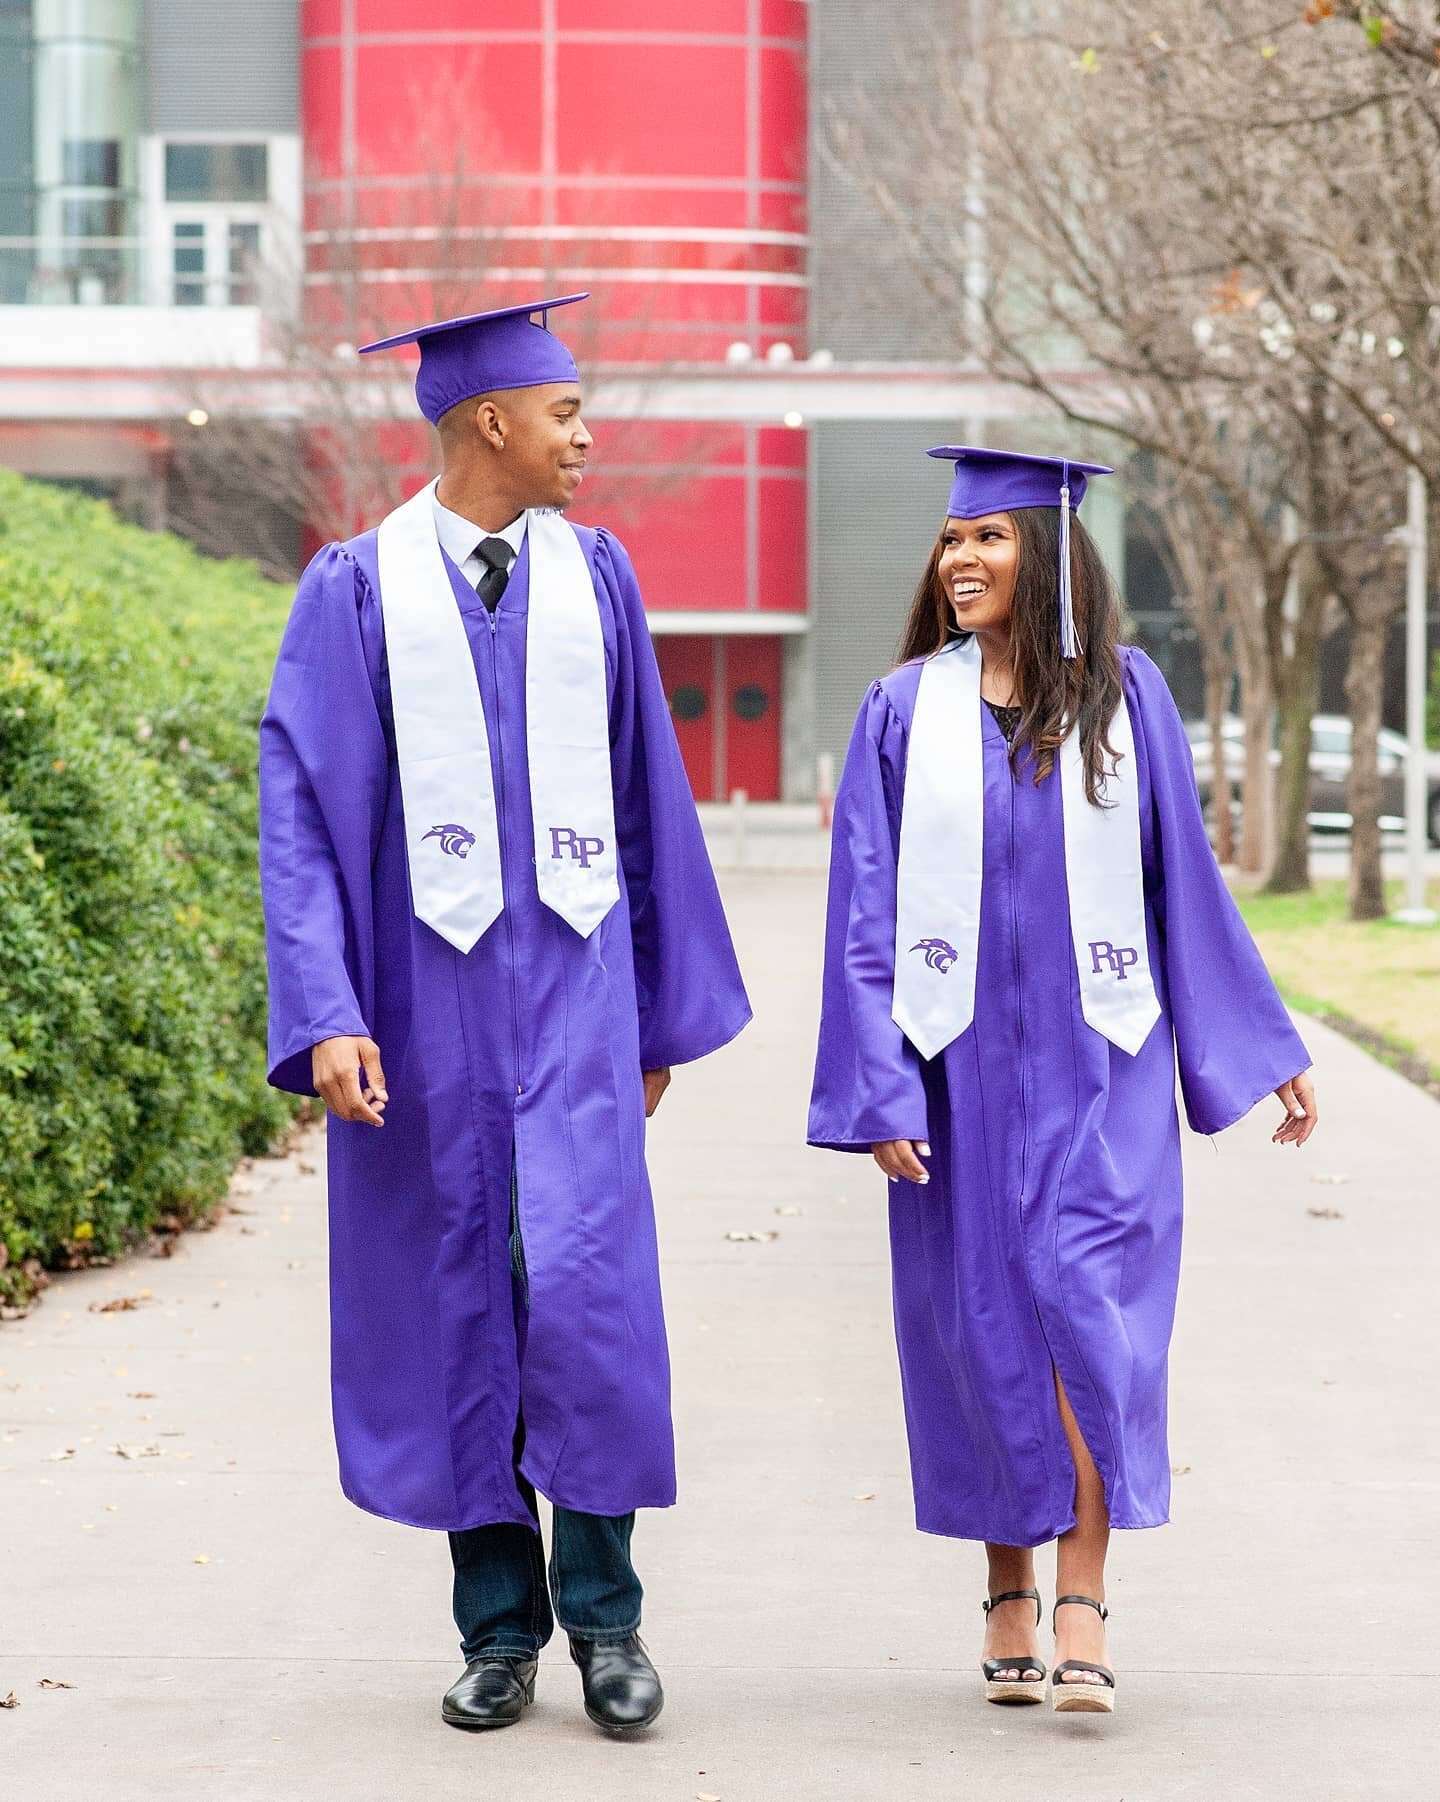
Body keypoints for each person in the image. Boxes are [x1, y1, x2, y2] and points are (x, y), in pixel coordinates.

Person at [259, 293, 750, 1736]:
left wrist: (660, 1006)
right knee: (456, 1296)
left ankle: (606, 1620)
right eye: (567, 412)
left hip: (577, 1004)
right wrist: (329, 1008)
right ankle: (496, 1626)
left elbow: (649, 789)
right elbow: (301, 812)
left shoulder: (596, 578)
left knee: (586, 1300)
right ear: (492, 419)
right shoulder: (355, 586)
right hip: (424, 1016)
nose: (586, 434)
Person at [807, 445, 1316, 1716]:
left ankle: (1083, 1587)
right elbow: (863, 911)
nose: (963, 559)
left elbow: (1181, 886)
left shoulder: (1127, 699)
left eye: (991, 537)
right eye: (950, 539)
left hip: (1106, 1065)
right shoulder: (899, 713)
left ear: (1051, 559)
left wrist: (1264, 1050)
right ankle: (1007, 1585)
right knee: (979, 1331)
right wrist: (876, 1088)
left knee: (1090, 1311)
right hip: (954, 1068)